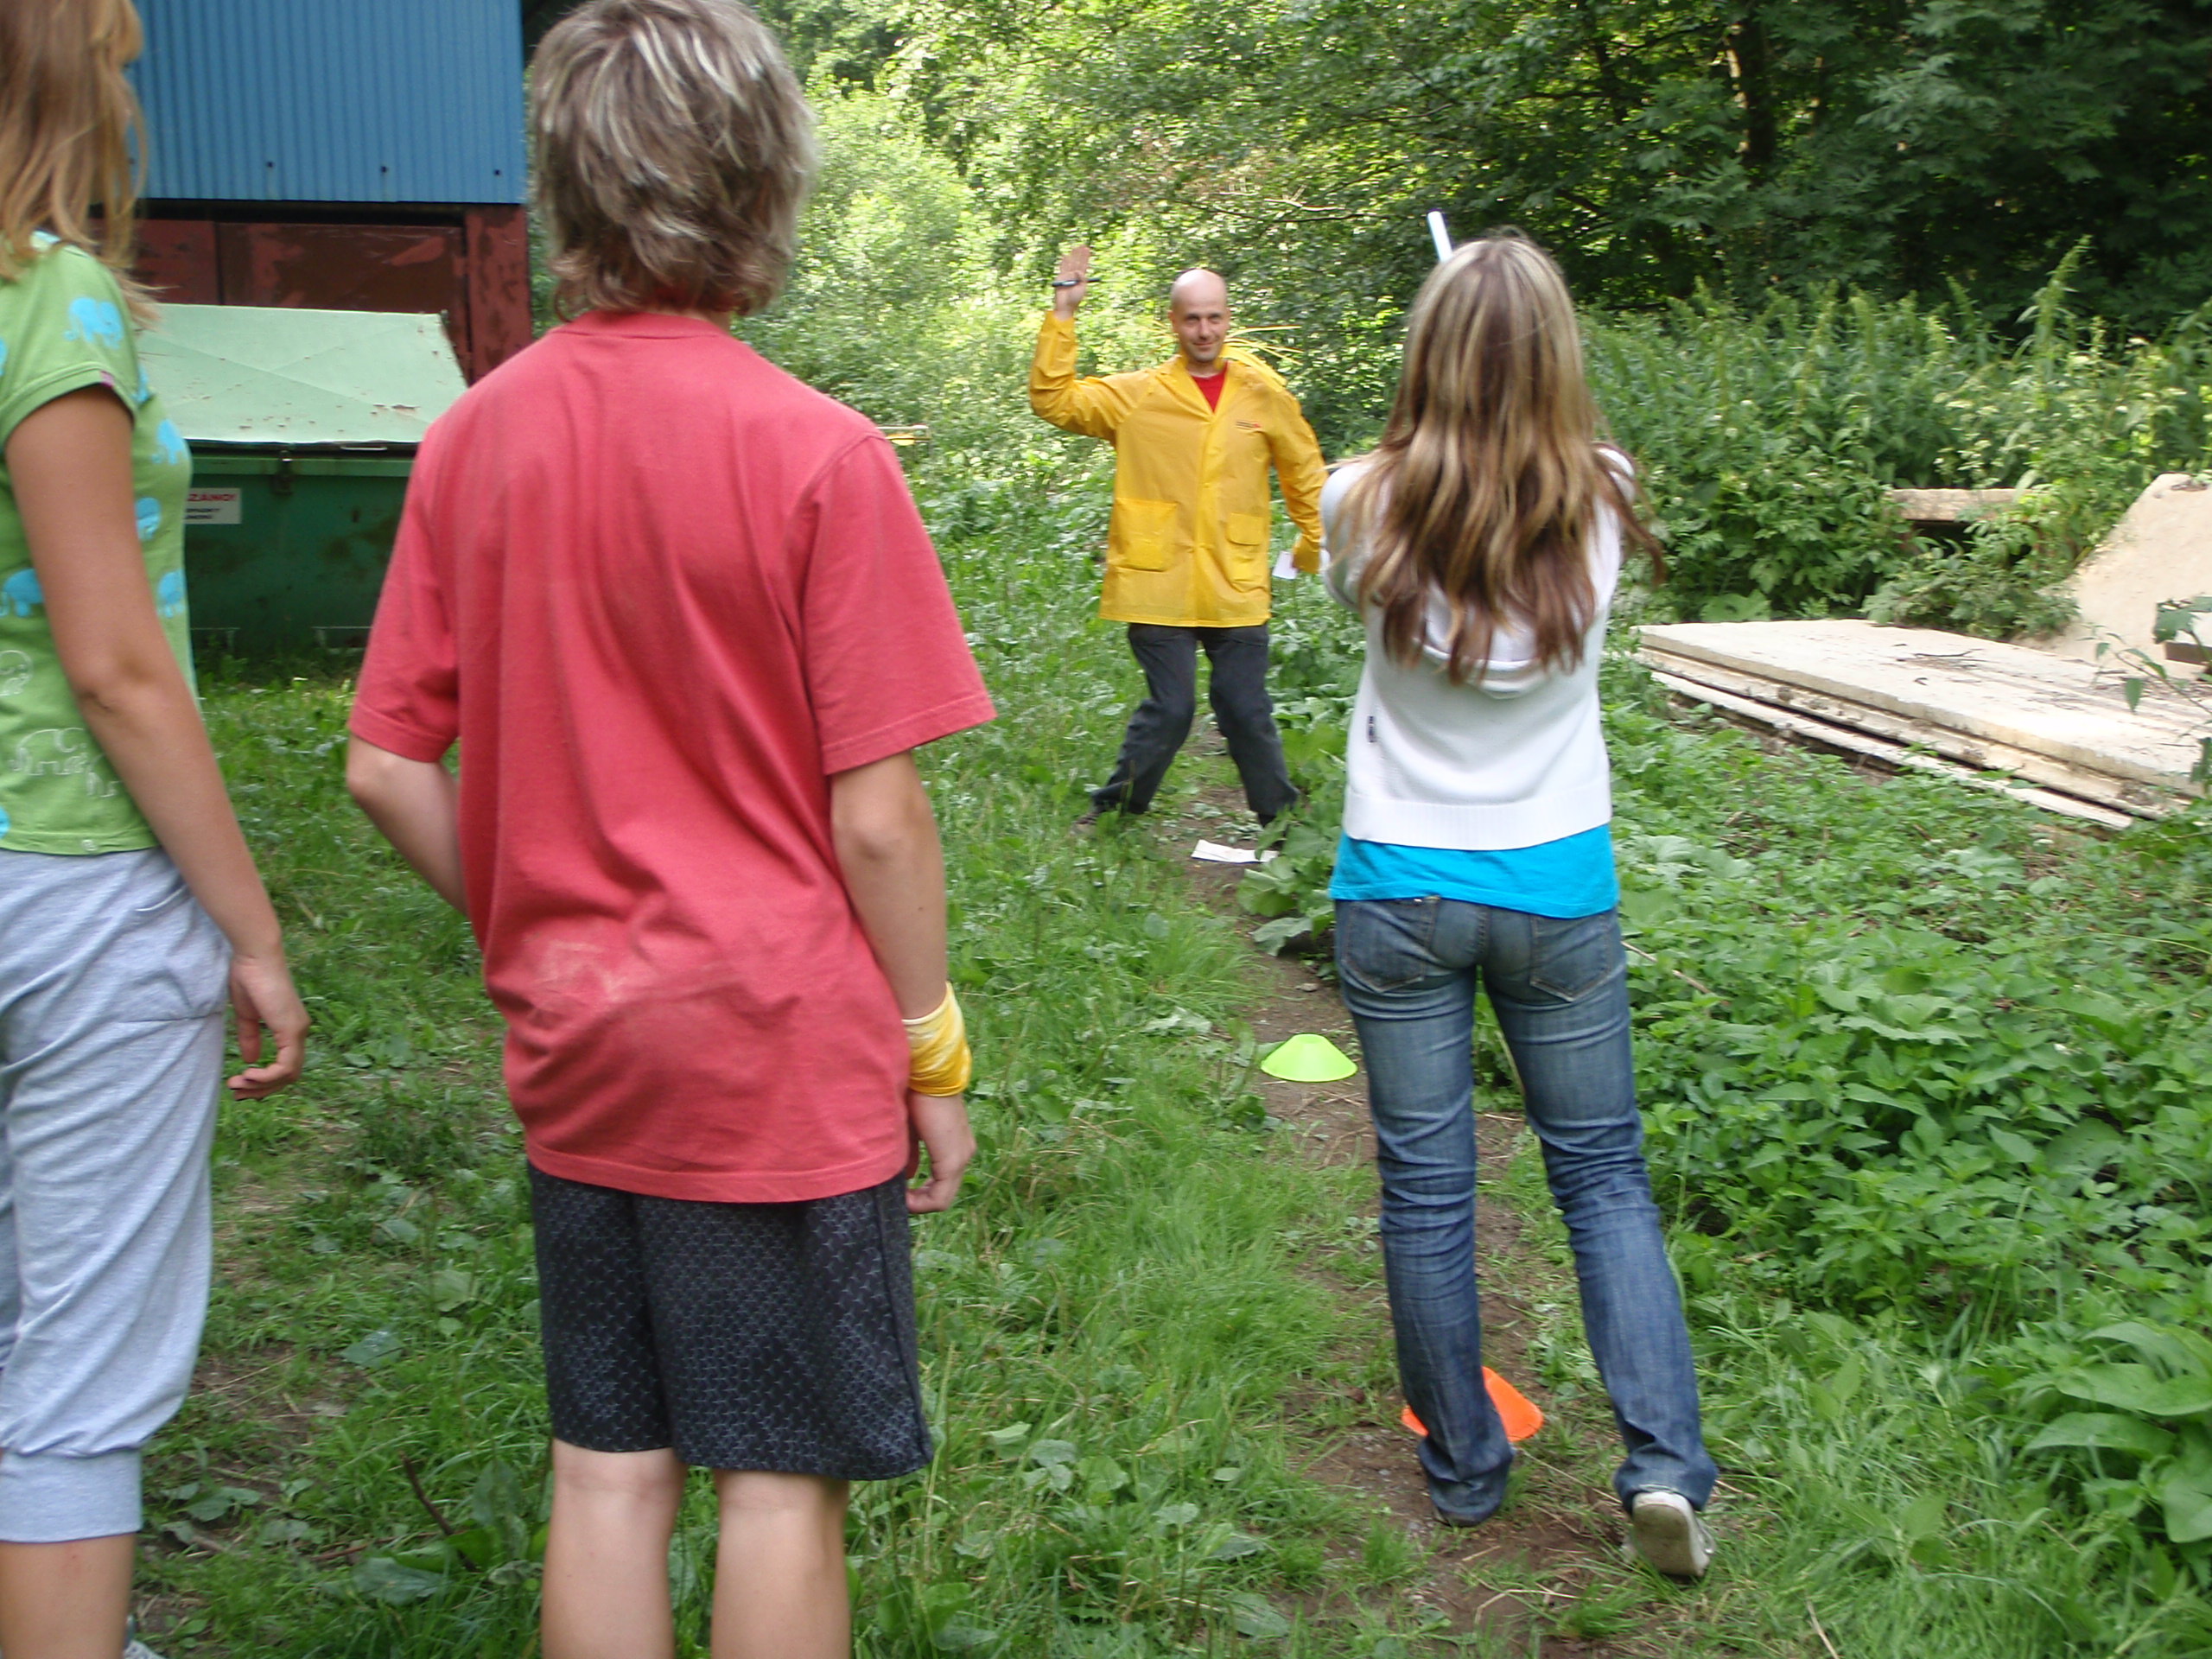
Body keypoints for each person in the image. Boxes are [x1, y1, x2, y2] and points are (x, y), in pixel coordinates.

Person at [342, 3, 992, 1655]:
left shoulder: (473, 437)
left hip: (581, 1037)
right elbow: (879, 819)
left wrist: (530, 922)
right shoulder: (820, 455)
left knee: (607, 1469)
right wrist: (929, 1045)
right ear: (765, 180)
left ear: (564, 184)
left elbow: (386, 766)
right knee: (777, 1482)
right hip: (774, 1048)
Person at [1322, 232, 1719, 1576]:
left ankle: (1463, 1471)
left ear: (1428, 353)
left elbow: (1358, 590)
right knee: (1602, 1177)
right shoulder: (1607, 491)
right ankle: (1663, 1467)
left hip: (1399, 886)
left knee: (1427, 1190)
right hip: (1557, 887)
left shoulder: (1360, 499)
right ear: (1557, 358)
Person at [0, 3, 311, 1656]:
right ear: (58, 77)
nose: (132, 95)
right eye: (118, 63)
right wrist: (250, 928)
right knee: (74, 1386)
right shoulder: (48, 299)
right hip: (71, 883)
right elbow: (115, 667)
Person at [1031, 248, 1327, 830]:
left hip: (1235, 581)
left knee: (1245, 708)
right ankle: (1115, 812)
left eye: (1214, 317)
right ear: (1173, 322)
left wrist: (1312, 544)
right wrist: (1064, 312)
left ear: (1228, 318)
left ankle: (1283, 827)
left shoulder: (1263, 395)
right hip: (1158, 579)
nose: (1204, 330)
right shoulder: (1138, 394)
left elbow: (1305, 473)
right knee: (1171, 707)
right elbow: (1054, 400)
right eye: (1192, 319)